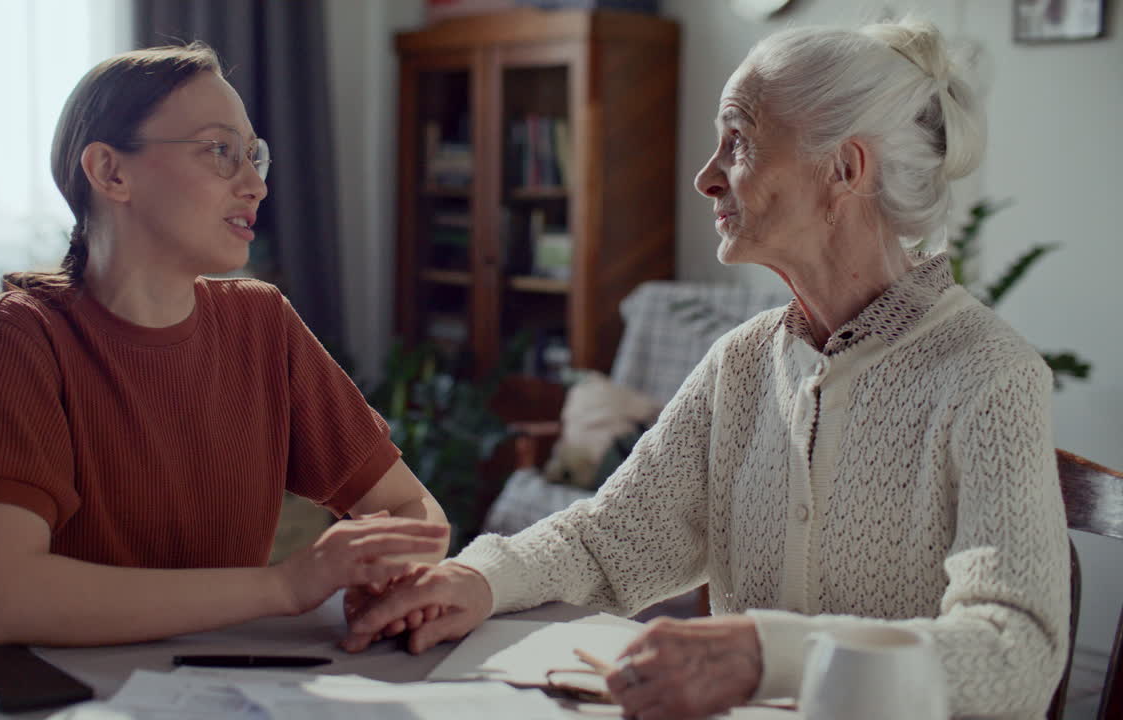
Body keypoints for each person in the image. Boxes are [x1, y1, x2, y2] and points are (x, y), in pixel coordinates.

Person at [344, 18, 1069, 720]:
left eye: (739, 141)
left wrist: (766, 655)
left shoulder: (988, 375)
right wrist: (475, 579)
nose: (706, 178)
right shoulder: (745, 362)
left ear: (844, 168)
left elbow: (1016, 655)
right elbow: (608, 544)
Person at [0, 43, 449, 647]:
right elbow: (6, 601)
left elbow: (413, 513)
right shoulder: (20, 335)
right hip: (58, 697)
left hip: (223, 687)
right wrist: (286, 588)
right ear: (111, 172)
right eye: (220, 152)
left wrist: (394, 573)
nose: (254, 186)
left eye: (254, 158)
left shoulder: (261, 322)